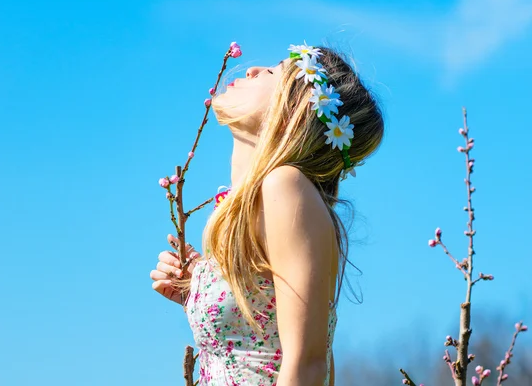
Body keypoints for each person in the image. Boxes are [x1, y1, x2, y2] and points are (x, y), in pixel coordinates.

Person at [150, 42, 384, 386]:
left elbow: (308, 366)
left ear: (295, 111)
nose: (252, 70)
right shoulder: (266, 201)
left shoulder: (285, 186)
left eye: (272, 72)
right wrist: (199, 291)